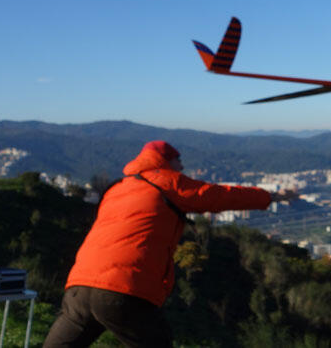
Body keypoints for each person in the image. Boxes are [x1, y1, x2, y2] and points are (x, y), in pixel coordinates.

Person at [43, 140, 296, 348]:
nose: (182, 166)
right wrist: (271, 196)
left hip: (79, 286)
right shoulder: (168, 182)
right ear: (166, 161)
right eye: (179, 161)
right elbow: (219, 196)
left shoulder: (116, 188)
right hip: (123, 287)